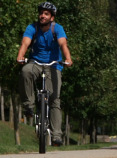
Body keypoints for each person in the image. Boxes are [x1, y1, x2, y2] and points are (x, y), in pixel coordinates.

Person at [17, 2, 73, 146]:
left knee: (55, 99)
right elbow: (25, 43)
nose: (42, 16)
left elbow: (63, 44)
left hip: (54, 65)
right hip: (35, 62)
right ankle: (28, 105)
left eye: (46, 14)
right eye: (41, 13)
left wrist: (68, 59)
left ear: (52, 17)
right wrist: (20, 56)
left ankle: (56, 136)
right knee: (25, 71)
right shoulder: (32, 27)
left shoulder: (57, 29)